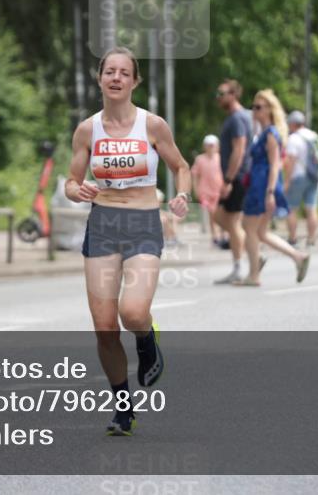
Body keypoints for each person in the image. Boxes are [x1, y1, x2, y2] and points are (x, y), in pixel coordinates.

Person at [65, 47, 190, 437]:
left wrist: (181, 194)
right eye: (109, 72)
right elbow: (71, 180)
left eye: (124, 73)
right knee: (104, 327)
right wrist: (77, 190)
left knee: (132, 313)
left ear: (134, 82)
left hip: (142, 224)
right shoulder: (88, 129)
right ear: (99, 79)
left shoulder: (152, 126)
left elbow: (180, 166)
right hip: (102, 223)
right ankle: (123, 407)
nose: (116, 78)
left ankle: (146, 335)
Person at [238, 90, 310, 286]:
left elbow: (275, 165)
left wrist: (270, 193)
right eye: (254, 106)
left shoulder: (271, 134)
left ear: (270, 110)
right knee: (260, 232)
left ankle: (254, 274)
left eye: (259, 107)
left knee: (248, 227)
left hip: (263, 187)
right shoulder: (263, 132)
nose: (255, 110)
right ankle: (297, 256)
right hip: (260, 185)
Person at [212, 79, 255, 284]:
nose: (218, 98)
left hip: (238, 177)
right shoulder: (237, 117)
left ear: (234, 95)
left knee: (231, 221)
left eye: (222, 94)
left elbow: (239, 149)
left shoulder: (238, 118)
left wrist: (228, 180)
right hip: (236, 177)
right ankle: (251, 256)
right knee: (221, 218)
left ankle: (243, 264)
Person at [283, 110, 318, 247]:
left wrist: (286, 181)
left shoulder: (294, 139)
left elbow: (291, 161)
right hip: (315, 177)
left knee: (292, 209)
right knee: (312, 208)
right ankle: (311, 239)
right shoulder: (314, 136)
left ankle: (292, 238)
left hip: (298, 177)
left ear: (292, 124)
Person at [191, 135, 225, 247]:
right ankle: (215, 236)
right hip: (206, 191)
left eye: (213, 145)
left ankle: (223, 235)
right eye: (208, 145)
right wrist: (196, 189)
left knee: (221, 215)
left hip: (219, 191)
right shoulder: (200, 159)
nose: (211, 148)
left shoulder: (221, 158)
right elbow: (195, 175)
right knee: (212, 215)